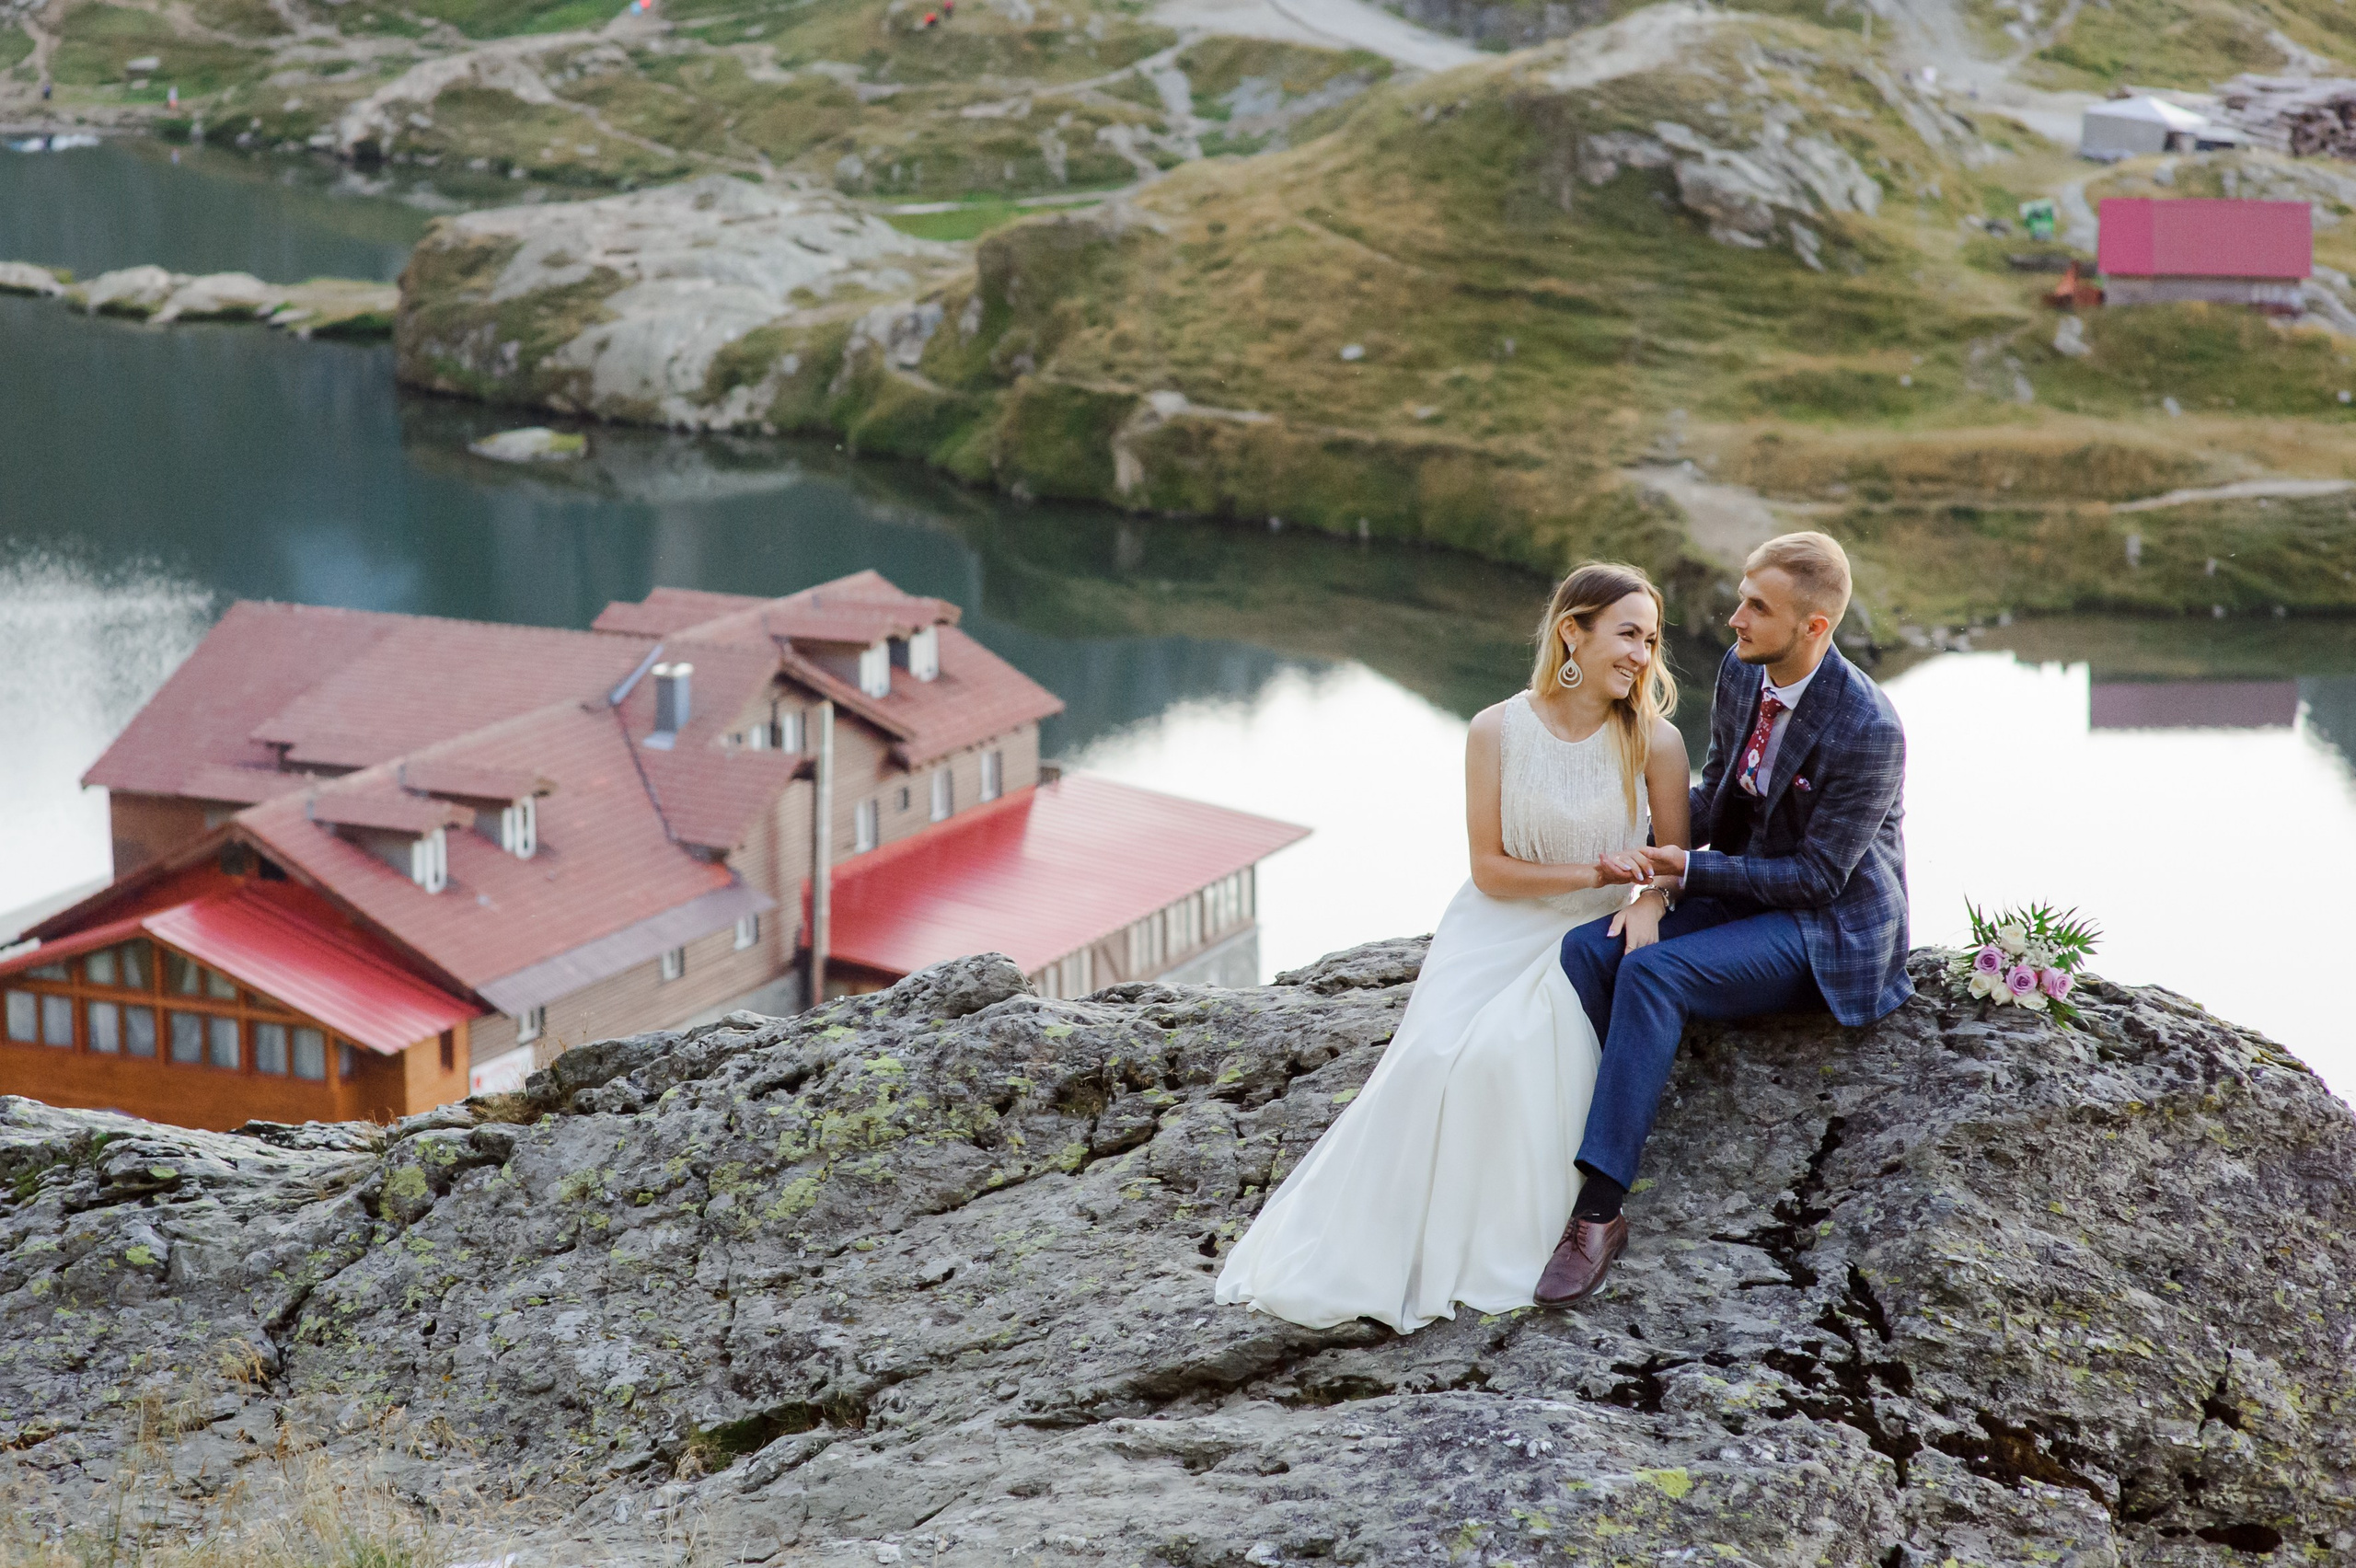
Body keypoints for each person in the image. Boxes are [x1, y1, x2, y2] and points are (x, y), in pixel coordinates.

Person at [1215, 563, 1687, 1332]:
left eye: (1651, 640)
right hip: (1496, 924)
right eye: (1628, 634)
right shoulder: (1496, 729)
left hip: (1582, 935)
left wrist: (1649, 899)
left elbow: (1674, 858)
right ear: (1574, 631)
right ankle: (1376, 1247)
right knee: (1432, 1060)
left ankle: (1521, 1238)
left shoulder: (1655, 742)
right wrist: (1596, 868)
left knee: (1508, 1053)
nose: (1642, 654)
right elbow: (1490, 870)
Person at [1534, 531, 1911, 1306]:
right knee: (1586, 952)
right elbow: (1718, 801)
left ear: (1814, 627)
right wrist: (1632, 856)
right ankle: (1621, 1104)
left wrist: (1687, 871)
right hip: (1744, 890)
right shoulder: (1745, 678)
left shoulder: (1869, 728)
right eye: (1742, 594)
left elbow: (1816, 879)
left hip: (1826, 928)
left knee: (1654, 970)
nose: (1734, 617)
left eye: (1756, 606)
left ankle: (1598, 1214)